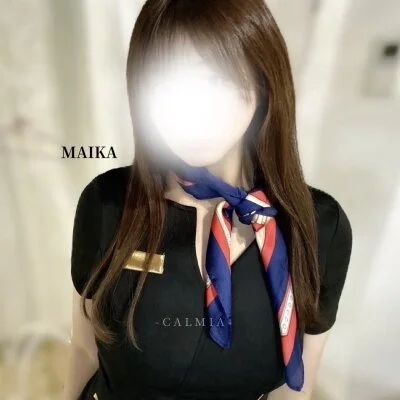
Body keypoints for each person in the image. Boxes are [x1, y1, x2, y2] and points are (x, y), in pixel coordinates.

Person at [63, 0, 353, 399]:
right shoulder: (109, 204)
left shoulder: (318, 227)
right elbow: (84, 349)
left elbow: (297, 387)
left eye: (215, 79)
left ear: (263, 82)